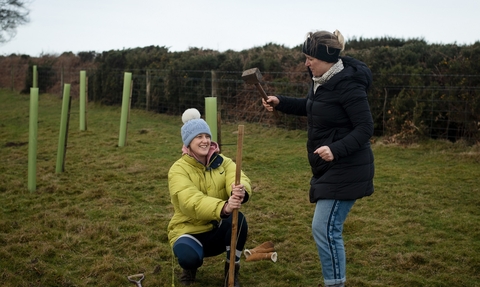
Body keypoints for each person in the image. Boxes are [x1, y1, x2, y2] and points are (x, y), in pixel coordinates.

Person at [262, 30, 374, 287]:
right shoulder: (321, 79)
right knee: (325, 229)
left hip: (348, 166)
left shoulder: (347, 84)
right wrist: (280, 102)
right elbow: (311, 107)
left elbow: (365, 127)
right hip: (330, 167)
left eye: (310, 58)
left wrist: (336, 149)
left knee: (324, 228)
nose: (306, 63)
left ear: (326, 58)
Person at [167, 108, 252, 287]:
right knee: (188, 255)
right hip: (188, 230)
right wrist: (224, 207)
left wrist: (239, 190)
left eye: (207, 136)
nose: (205, 141)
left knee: (240, 221)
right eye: (199, 137)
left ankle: (231, 271)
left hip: (216, 230)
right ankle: (189, 270)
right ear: (188, 142)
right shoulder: (178, 169)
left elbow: (238, 176)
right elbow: (190, 201)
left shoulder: (223, 162)